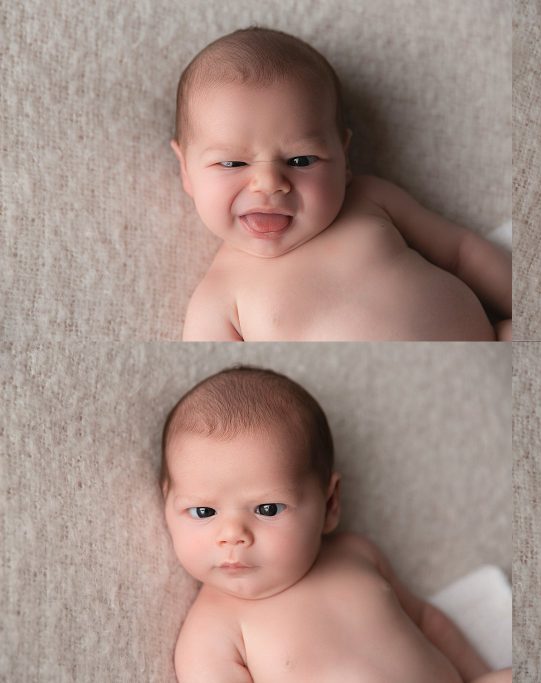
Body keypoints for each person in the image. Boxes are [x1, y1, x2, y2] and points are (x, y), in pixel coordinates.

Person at [161, 366, 511, 682]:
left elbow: (426, 620)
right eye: (203, 512)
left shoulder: (356, 554)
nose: (233, 536)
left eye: (267, 509)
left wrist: (483, 675)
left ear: (330, 504)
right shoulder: (211, 634)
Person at [170, 27, 511, 341]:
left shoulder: (368, 198)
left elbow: (462, 252)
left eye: (301, 160)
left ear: (344, 158)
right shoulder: (217, 298)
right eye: (232, 163)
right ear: (186, 170)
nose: (269, 184)